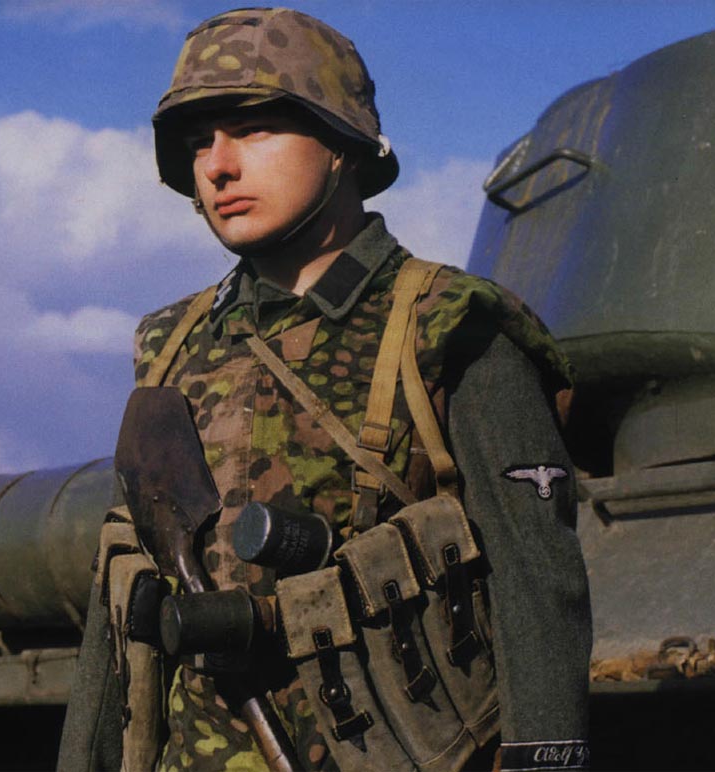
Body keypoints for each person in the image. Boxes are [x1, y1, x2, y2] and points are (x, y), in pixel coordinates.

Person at [58, 8, 592, 772]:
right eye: (199, 141)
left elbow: (538, 585)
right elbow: (116, 605)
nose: (218, 165)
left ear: (341, 144)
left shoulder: (447, 328)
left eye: (256, 129)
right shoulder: (170, 346)